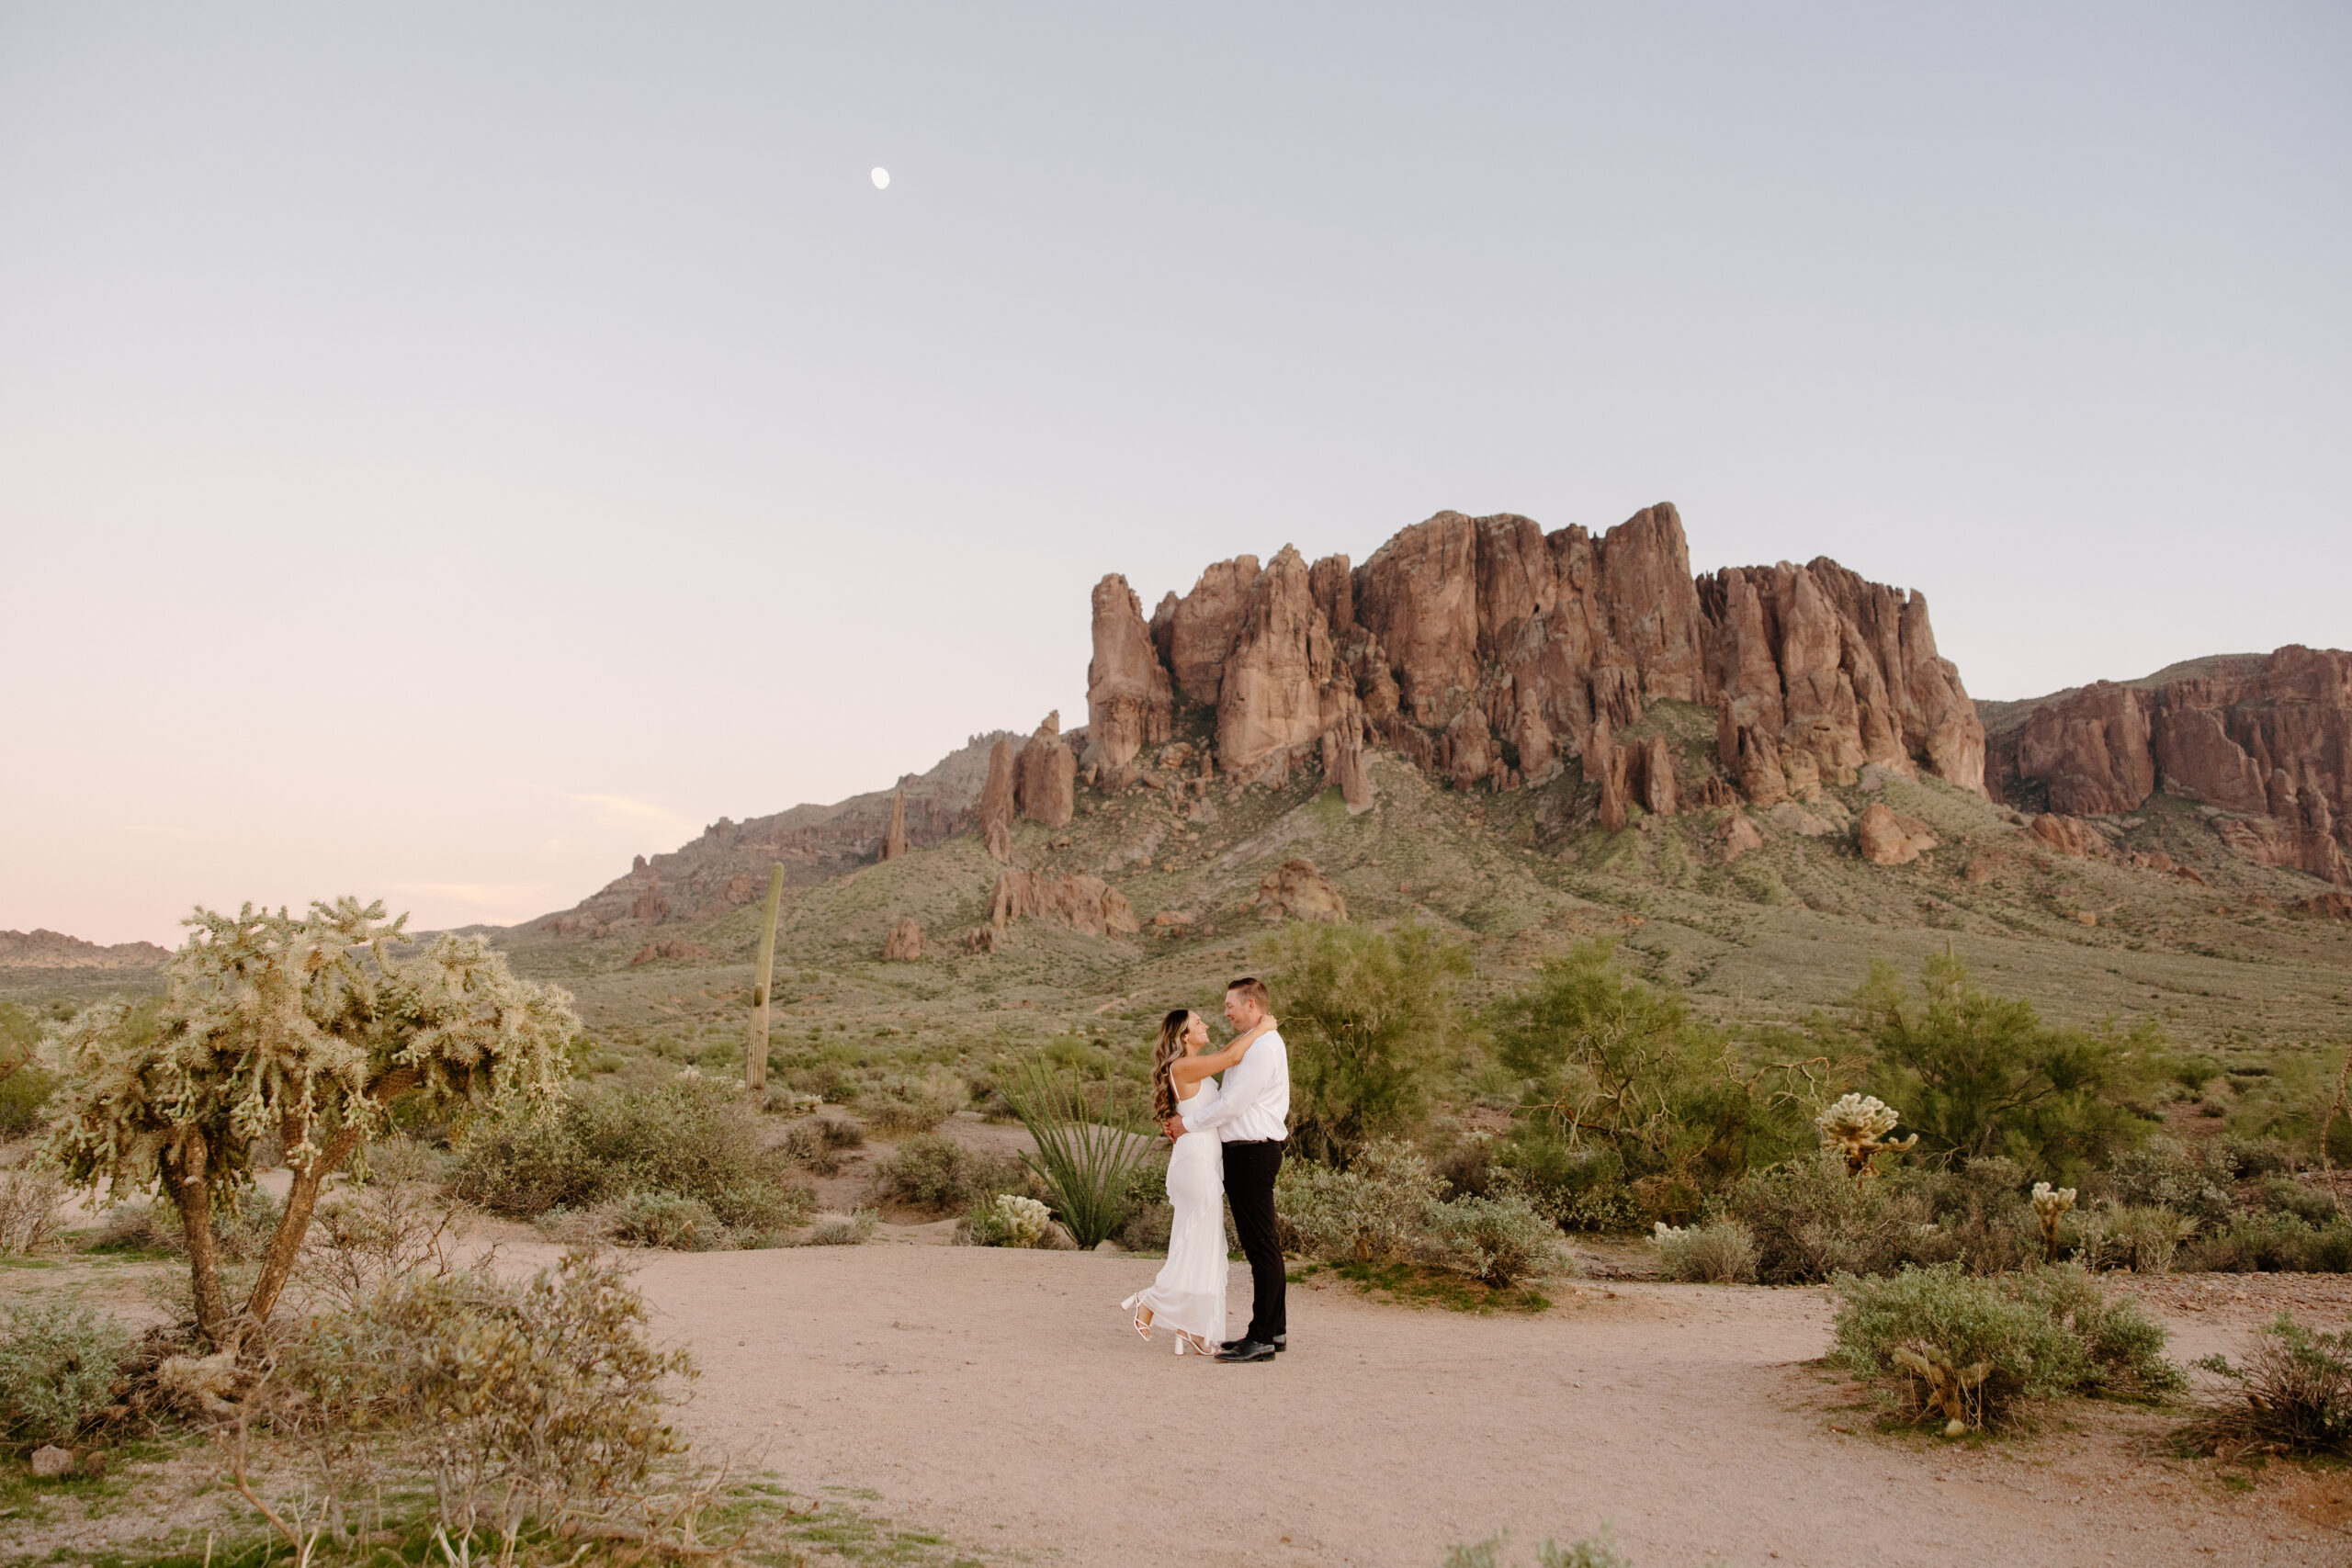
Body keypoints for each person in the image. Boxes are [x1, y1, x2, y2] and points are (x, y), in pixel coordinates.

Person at [1118, 1007, 1271, 1355]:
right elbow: (1233, 1055)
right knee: (1195, 1244)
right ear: (1184, 1037)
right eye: (1198, 1023)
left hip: (1203, 1158)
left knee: (1204, 1246)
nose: (1206, 1025)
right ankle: (1150, 1301)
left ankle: (1194, 1329)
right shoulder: (1184, 1066)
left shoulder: (1192, 1064)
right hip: (1198, 1160)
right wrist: (1264, 1026)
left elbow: (1228, 1053)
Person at [1161, 976, 1289, 1364]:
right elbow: (1228, 1061)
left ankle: (1262, 1337)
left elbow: (1231, 1105)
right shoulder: (1253, 1044)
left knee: (1261, 1247)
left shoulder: (1264, 1048)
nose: (1225, 1012)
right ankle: (1275, 1330)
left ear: (1251, 1005)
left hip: (1253, 1154)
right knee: (1261, 1245)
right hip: (1244, 1154)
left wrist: (1187, 1123)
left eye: (1230, 1005)